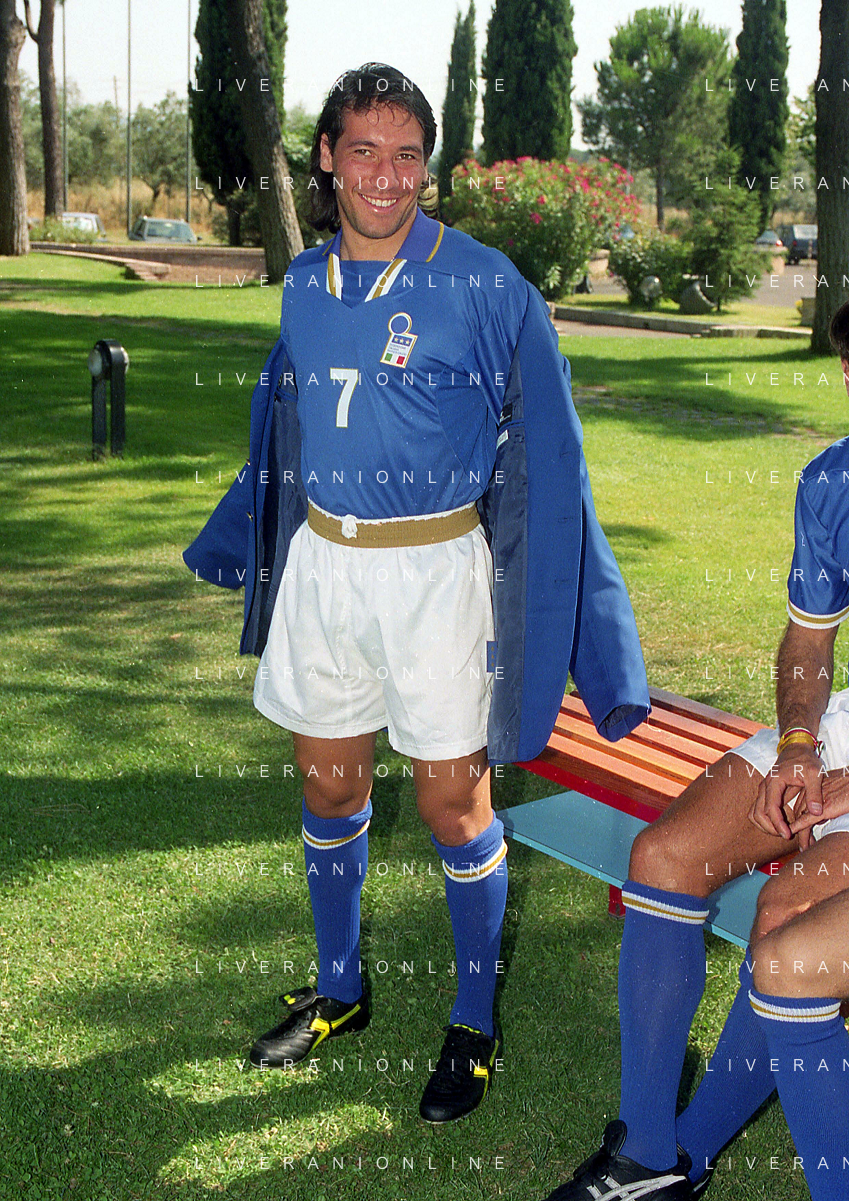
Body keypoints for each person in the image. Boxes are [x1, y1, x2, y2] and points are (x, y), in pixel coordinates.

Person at [184, 63, 648, 1125]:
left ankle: (473, 1021)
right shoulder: (304, 281)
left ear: (426, 166)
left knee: (451, 803)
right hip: (326, 567)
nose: (386, 176)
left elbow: (554, 455)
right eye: (364, 151)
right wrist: (239, 530)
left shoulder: (486, 284)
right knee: (329, 790)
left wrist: (597, 629)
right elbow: (287, 418)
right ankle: (340, 989)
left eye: (406, 155)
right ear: (327, 159)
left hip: (436, 576)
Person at [541, 301, 849, 1199]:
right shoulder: (832, 482)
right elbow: (808, 640)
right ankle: (648, 1157)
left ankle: (697, 1146)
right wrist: (799, 747)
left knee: (786, 917)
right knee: (665, 855)